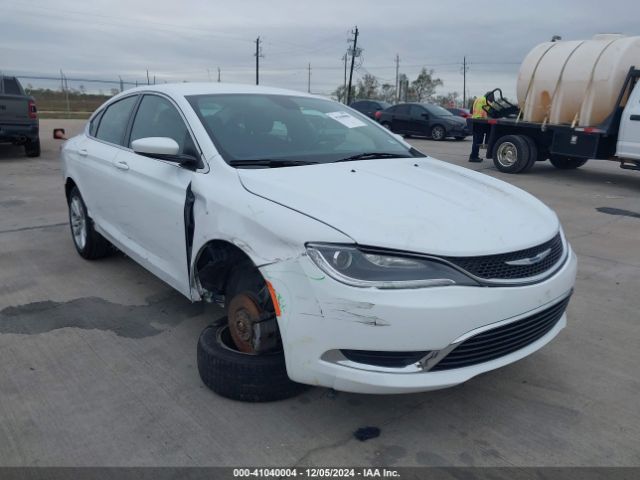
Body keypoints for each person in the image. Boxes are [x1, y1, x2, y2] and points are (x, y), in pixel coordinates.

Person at [469, 91, 495, 162]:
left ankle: (473, 156)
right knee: (478, 141)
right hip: (481, 122)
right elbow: (488, 112)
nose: (491, 101)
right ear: (490, 97)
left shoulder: (478, 99)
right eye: (491, 100)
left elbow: (471, 111)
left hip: (475, 121)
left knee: (476, 140)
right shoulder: (485, 101)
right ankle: (473, 157)